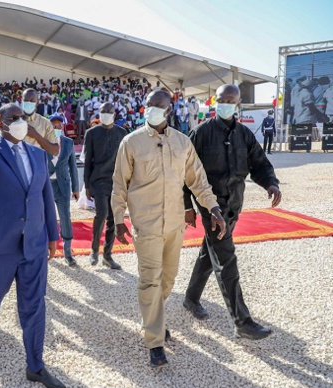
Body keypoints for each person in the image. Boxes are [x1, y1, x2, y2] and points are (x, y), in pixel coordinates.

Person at [112, 90, 226, 367]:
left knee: (168, 279)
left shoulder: (183, 142)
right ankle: (155, 341)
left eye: (159, 106)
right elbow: (119, 184)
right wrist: (117, 219)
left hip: (175, 223)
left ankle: (154, 317)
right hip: (147, 224)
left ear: (169, 110)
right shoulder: (131, 142)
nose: (153, 109)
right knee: (150, 280)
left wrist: (213, 208)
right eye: (149, 105)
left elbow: (197, 181)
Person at [0, 104, 66, 388]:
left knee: (34, 304)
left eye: (22, 118)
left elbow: (45, 196)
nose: (19, 122)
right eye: (12, 119)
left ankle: (35, 365)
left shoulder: (37, 153)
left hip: (32, 242)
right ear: (1, 124)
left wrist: (52, 236)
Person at [182, 84, 282, 340]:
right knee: (226, 259)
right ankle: (242, 321)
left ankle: (191, 299)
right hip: (210, 206)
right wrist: (187, 207)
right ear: (215, 101)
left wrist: (271, 183)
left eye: (231, 100)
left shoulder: (245, 135)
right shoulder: (200, 134)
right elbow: (184, 174)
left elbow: (259, 163)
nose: (226, 103)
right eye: (222, 99)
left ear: (238, 104)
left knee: (210, 253)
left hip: (234, 204)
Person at [83, 102, 127, 269]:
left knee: (114, 219)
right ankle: (94, 249)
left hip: (116, 181)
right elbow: (88, 160)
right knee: (101, 214)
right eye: (103, 111)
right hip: (98, 180)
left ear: (114, 113)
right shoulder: (91, 133)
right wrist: (87, 185)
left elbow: (126, 159)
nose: (106, 114)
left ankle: (107, 255)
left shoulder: (122, 133)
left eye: (109, 111)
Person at [48, 115, 80, 266]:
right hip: (46, 186)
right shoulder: (42, 142)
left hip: (63, 186)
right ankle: (47, 249)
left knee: (65, 217)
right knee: (46, 218)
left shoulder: (68, 143)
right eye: (53, 126)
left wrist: (76, 188)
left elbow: (73, 167)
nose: (56, 129)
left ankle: (68, 252)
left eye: (59, 126)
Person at [21, 88, 60, 155]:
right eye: (26, 100)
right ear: (22, 101)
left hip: (36, 163)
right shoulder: (12, 120)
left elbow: (55, 151)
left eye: (32, 101)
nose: (28, 103)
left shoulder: (45, 123)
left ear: (37, 103)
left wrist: (36, 136)